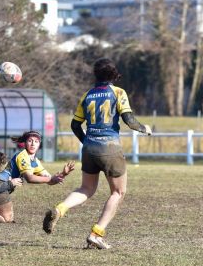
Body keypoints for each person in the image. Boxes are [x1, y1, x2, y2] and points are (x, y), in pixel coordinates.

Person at [42, 58, 152, 249]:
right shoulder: (118, 92)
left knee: (86, 189)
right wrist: (144, 128)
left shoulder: (87, 95)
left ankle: (60, 209)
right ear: (114, 75)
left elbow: (75, 125)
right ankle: (96, 233)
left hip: (89, 148)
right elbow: (128, 119)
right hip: (110, 147)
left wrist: (87, 142)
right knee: (118, 192)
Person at [0, 130, 74, 223]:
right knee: (7, 219)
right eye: (30, 141)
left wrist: (63, 174)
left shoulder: (35, 161)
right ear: (25, 143)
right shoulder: (23, 155)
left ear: (39, 144)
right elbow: (30, 178)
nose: (33, 144)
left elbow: (49, 179)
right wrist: (51, 178)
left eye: (36, 141)